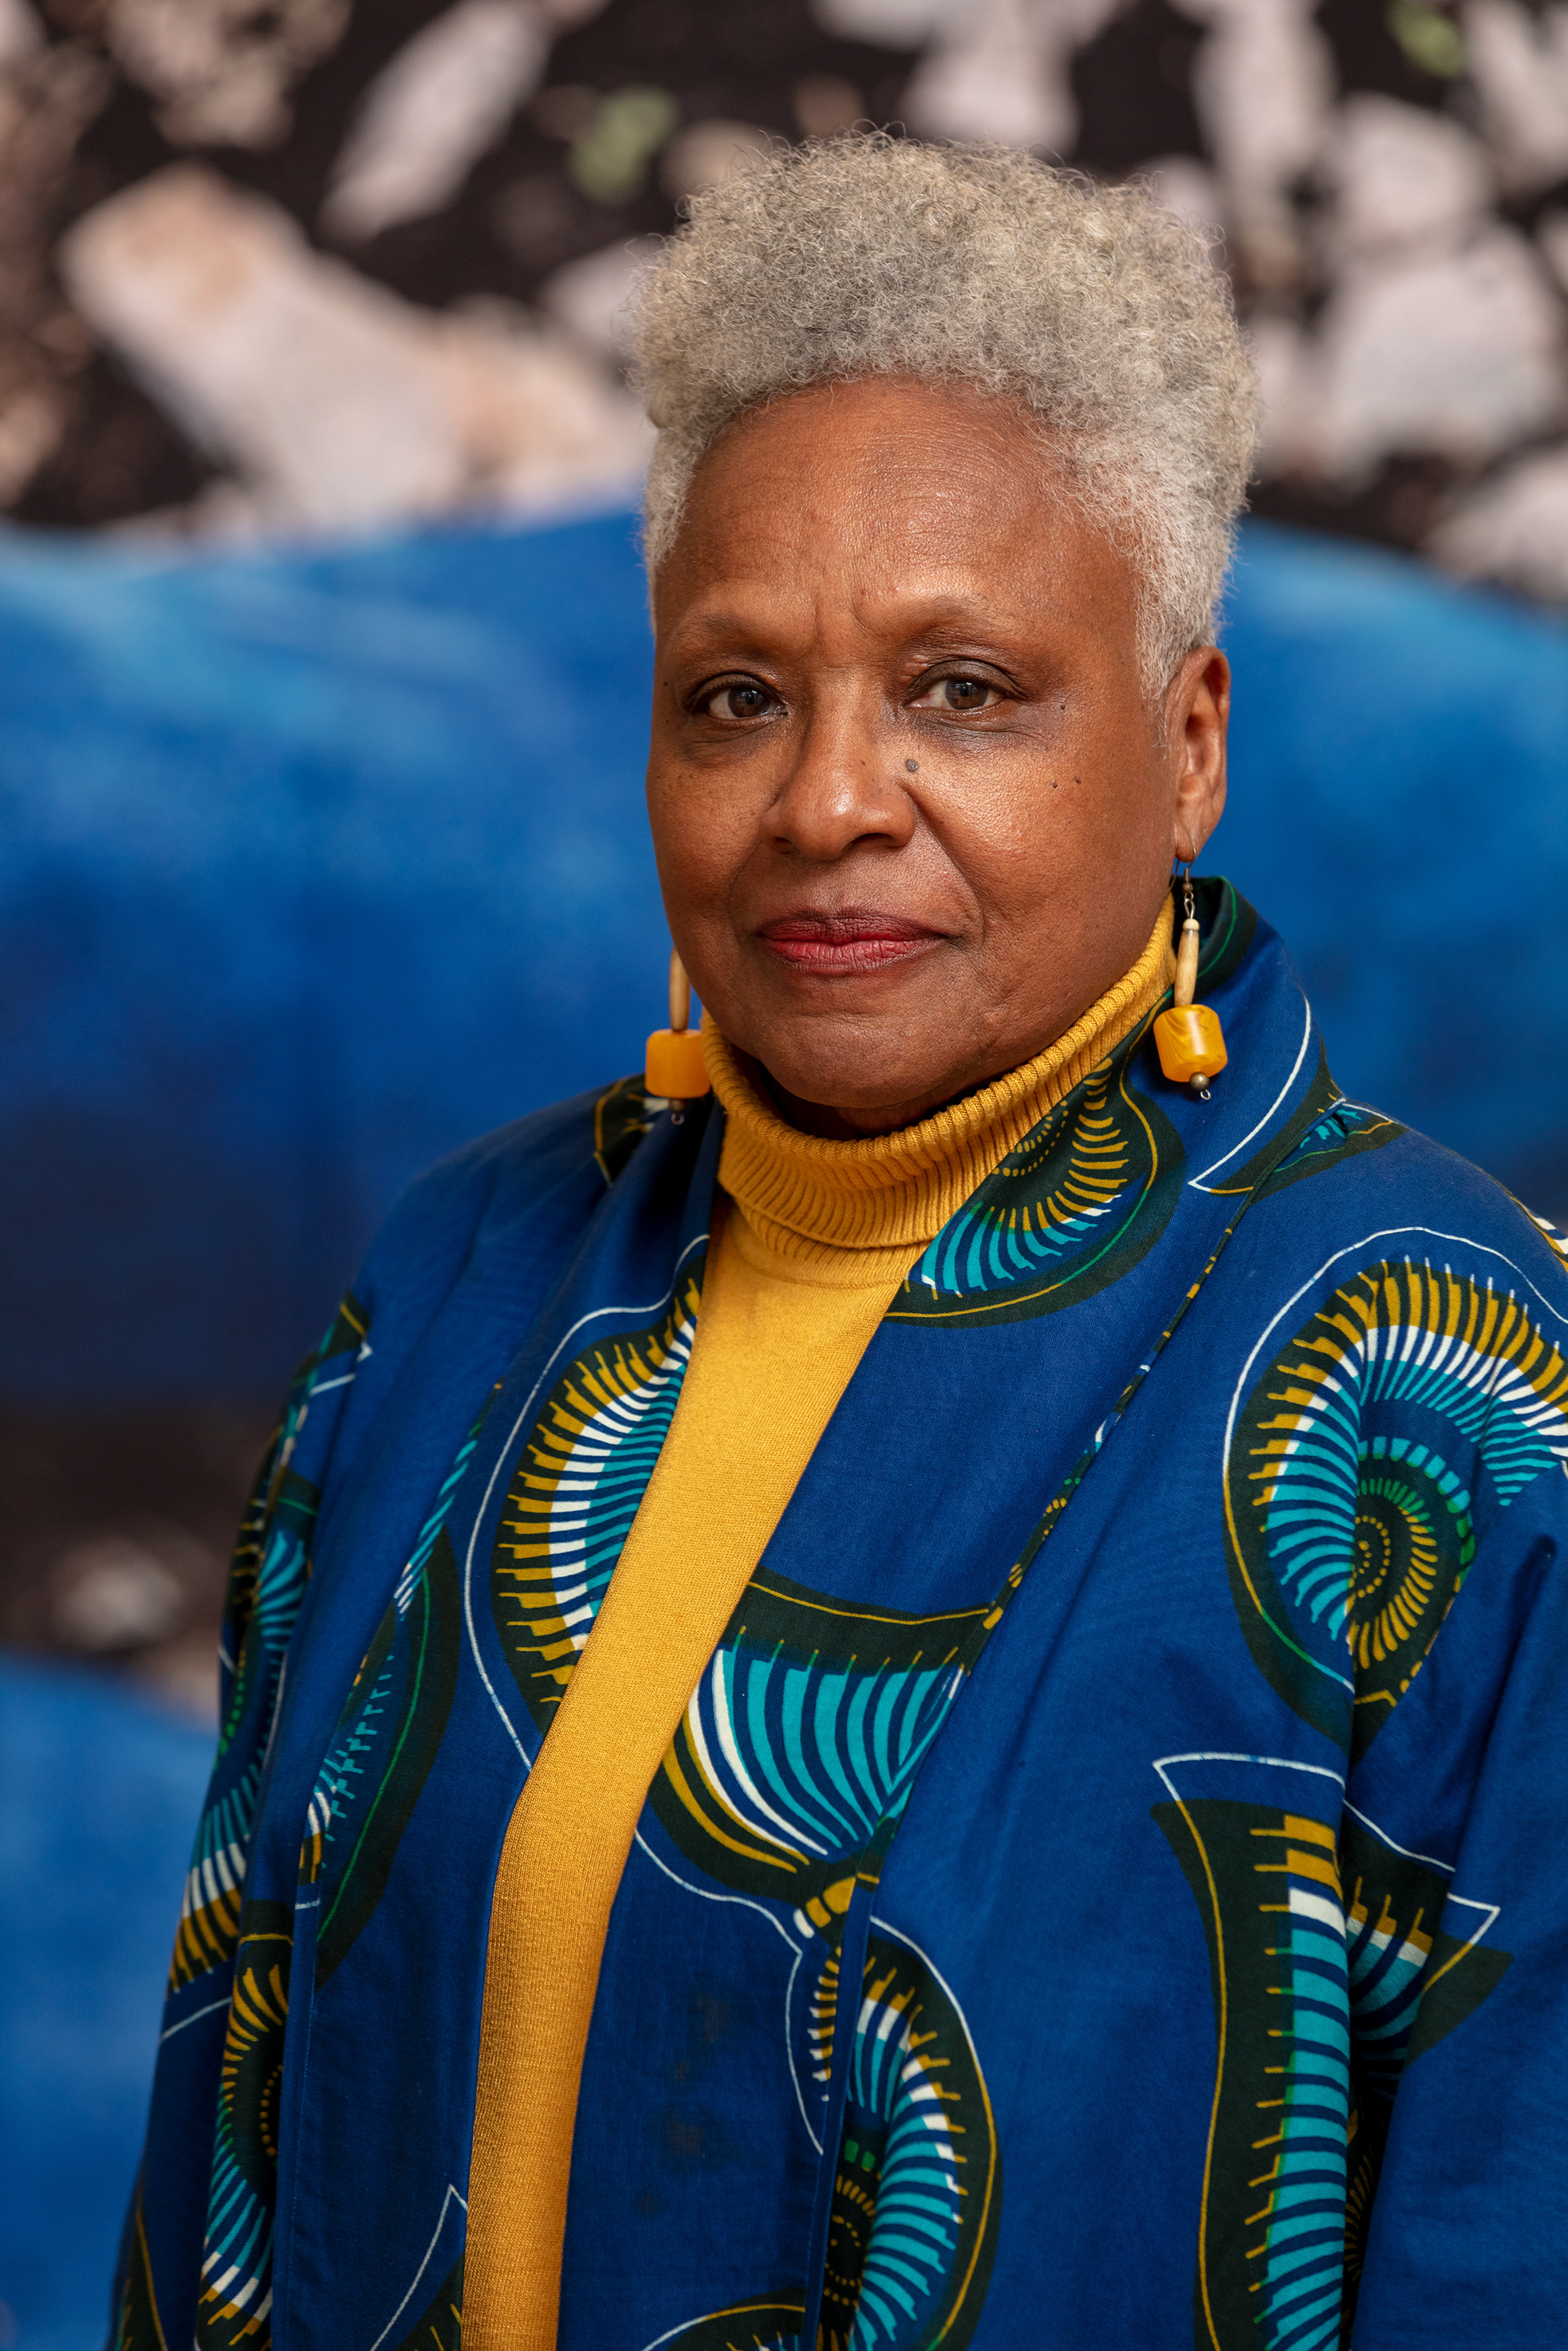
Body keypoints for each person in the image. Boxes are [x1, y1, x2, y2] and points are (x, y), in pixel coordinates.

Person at [114, 136, 1568, 2351]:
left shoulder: (1450, 1383)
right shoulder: (455, 1288)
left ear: (1188, 744)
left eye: (963, 687)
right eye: (737, 695)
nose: (824, 802)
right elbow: (228, 2142)